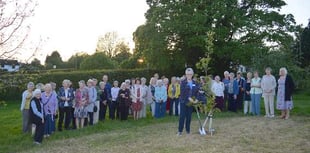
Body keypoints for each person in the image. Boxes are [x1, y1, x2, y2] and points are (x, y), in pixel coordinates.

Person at [178, 68, 199, 135]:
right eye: (187, 74)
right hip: (183, 102)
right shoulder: (183, 82)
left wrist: (197, 99)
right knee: (182, 116)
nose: (189, 75)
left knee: (189, 116)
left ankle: (188, 130)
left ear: (192, 74)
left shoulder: (195, 83)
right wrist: (189, 98)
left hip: (191, 103)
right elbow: (183, 92)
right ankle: (180, 131)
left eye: (190, 74)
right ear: (186, 75)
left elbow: (197, 92)